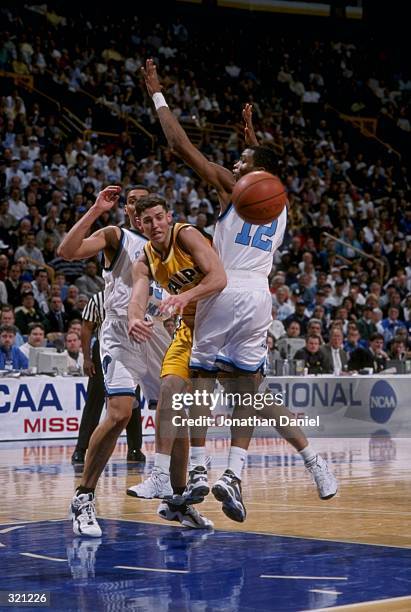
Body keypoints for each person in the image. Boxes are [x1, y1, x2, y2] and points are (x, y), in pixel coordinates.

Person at [134, 60, 337, 522]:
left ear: (251, 175)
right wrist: (252, 138)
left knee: (201, 384)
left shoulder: (234, 188)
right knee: (249, 392)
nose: (234, 164)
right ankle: (238, 473)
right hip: (259, 296)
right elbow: (264, 172)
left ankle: (201, 470)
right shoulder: (279, 204)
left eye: (241, 162)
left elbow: (179, 145)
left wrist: (157, 94)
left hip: (222, 291)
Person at [58, 185, 180, 538]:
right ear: (129, 212)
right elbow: (67, 251)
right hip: (122, 331)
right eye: (131, 202)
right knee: (120, 412)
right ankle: (83, 497)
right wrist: (96, 209)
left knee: (176, 412)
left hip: (157, 331)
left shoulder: (171, 243)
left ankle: (178, 500)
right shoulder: (117, 235)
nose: (138, 207)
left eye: (146, 203)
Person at [126, 194, 226, 523]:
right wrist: (134, 319)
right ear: (139, 224)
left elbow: (218, 278)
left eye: (158, 217)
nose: (154, 225)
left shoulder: (187, 235)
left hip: (222, 326)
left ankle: (204, 467)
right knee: (168, 386)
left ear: (168, 217)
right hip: (189, 329)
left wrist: (184, 296)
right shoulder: (145, 258)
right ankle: (160, 476)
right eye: (147, 221)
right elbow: (138, 293)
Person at [71, 291, 145, 465]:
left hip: (132, 348)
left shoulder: (138, 294)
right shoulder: (98, 298)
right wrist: (87, 358)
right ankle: (81, 449)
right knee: (94, 401)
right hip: (104, 349)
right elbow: (87, 327)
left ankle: (135, 449)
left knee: (132, 401)